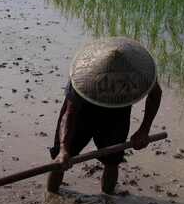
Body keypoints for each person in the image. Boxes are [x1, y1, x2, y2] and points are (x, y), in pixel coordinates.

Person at [47, 37, 162, 194]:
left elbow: (155, 94)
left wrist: (144, 129)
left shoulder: (139, 70)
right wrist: (63, 149)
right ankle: (51, 198)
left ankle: (109, 202)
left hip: (117, 112)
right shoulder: (84, 77)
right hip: (83, 111)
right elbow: (69, 113)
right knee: (60, 162)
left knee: (112, 161)